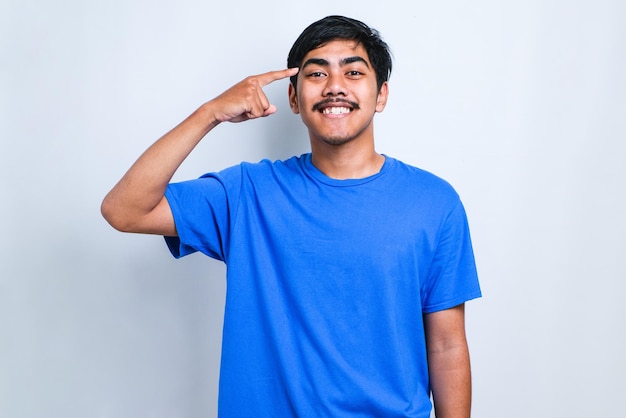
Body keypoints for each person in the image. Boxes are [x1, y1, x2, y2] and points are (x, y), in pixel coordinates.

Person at [101, 15, 481, 418]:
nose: (335, 86)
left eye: (353, 72)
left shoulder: (434, 203)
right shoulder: (247, 194)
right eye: (317, 73)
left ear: (381, 95)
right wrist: (210, 112)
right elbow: (123, 210)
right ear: (295, 99)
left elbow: (446, 343)